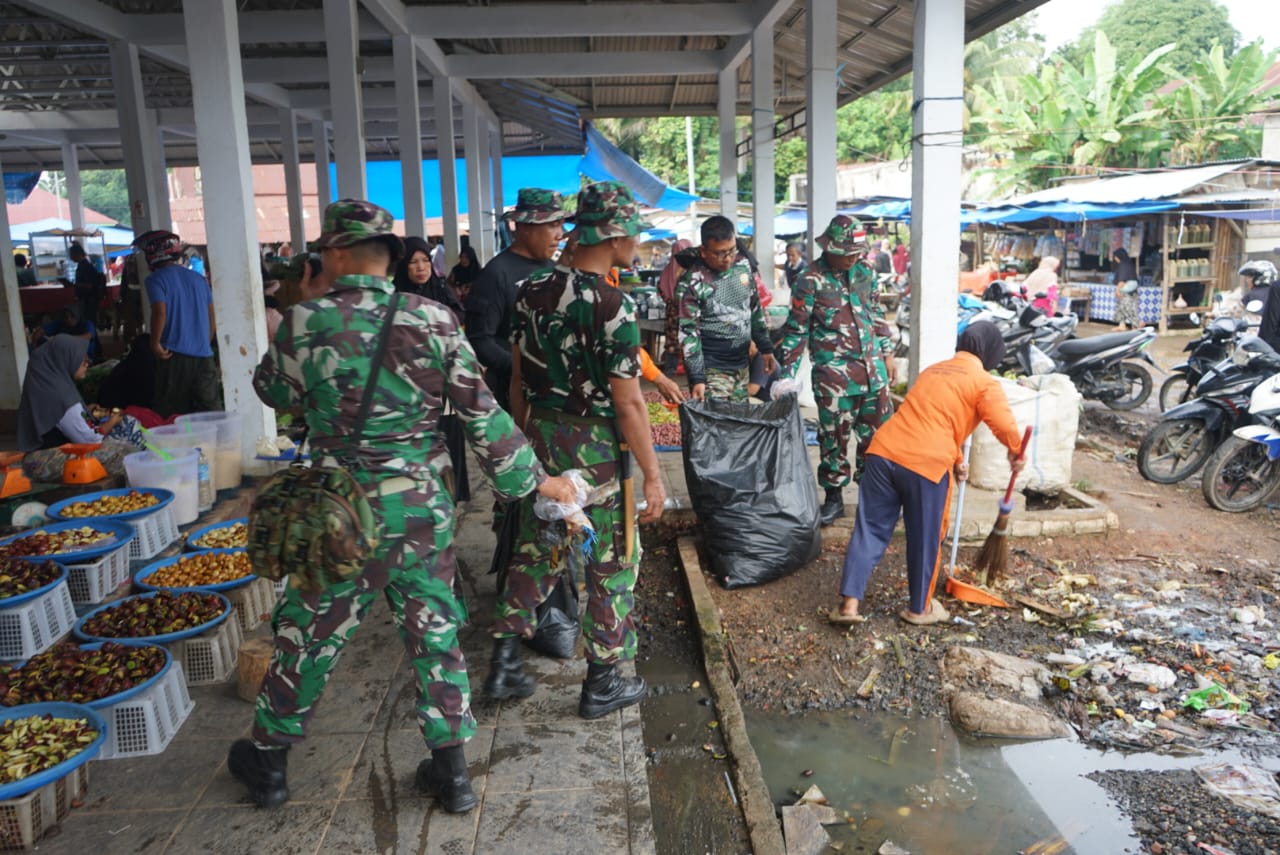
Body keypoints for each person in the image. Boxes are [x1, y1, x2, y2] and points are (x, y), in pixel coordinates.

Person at [227, 199, 578, 815]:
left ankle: (271, 766)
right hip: (419, 507)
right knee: (435, 635)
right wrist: (534, 480)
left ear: (332, 254)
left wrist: (296, 304)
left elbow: (272, 392)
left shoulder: (305, 322)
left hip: (337, 515)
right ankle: (453, 774)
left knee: (306, 637)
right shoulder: (435, 318)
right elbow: (482, 414)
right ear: (389, 257)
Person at [484, 180, 665, 721]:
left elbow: (517, 376)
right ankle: (604, 681)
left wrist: (522, 443)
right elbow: (630, 404)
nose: (637, 243)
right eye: (633, 232)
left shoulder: (530, 290)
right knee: (611, 562)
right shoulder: (614, 306)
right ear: (612, 235)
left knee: (540, 548)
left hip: (540, 442)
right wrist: (654, 477)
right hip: (598, 458)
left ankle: (503, 658)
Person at [829, 322, 1024, 627]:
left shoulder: (934, 371)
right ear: (991, 353)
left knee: (870, 529)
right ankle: (919, 609)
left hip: (884, 452)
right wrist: (1015, 450)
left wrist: (957, 458)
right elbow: (1003, 422)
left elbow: (931, 417)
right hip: (926, 465)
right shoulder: (984, 383)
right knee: (925, 536)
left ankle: (849, 606)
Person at [777, 215, 896, 526]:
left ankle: (874, 497)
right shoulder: (810, 278)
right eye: (848, 253)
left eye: (857, 252)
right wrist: (786, 373)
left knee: (878, 439)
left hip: (873, 373)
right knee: (834, 437)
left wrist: (889, 354)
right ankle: (833, 498)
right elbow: (796, 329)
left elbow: (876, 312)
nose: (853, 258)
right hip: (834, 379)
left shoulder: (866, 271)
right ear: (830, 248)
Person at [466, 188, 568, 413]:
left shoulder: (555, 270)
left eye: (560, 225)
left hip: (555, 398)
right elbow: (480, 341)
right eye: (552, 225)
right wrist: (524, 369)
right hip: (511, 398)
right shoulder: (496, 275)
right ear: (524, 227)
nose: (560, 234)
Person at [393, 236, 470, 502]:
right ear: (402, 266)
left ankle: (452, 496)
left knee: (448, 439)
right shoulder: (393, 299)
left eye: (425, 260)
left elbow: (458, 317)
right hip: (409, 389)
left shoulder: (441, 291)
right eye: (413, 262)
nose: (421, 267)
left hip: (443, 384)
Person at [15, 335, 146, 480]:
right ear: (65, 360)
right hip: (44, 460)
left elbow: (61, 421)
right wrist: (112, 421)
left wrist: (86, 412)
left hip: (39, 456)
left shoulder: (49, 386)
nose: (87, 364)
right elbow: (89, 440)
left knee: (128, 425)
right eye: (82, 360)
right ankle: (125, 492)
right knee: (126, 453)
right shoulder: (61, 395)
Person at [676, 216, 775, 401]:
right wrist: (697, 377)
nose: (727, 259)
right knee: (719, 423)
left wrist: (765, 348)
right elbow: (689, 333)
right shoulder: (692, 282)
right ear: (703, 251)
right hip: (712, 369)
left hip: (742, 364)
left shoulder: (742, 266)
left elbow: (754, 309)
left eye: (731, 250)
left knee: (739, 423)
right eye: (720, 253)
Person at [136, 230, 219, 417]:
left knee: (170, 410)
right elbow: (211, 314)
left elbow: (160, 311)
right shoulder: (198, 279)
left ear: (152, 254)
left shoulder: (156, 279)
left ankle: (179, 446)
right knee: (209, 408)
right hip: (204, 355)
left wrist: (155, 342)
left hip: (173, 354)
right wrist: (206, 341)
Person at [657, 238, 693, 373]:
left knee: (671, 344)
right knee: (690, 343)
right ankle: (693, 374)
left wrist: (670, 301)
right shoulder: (692, 271)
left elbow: (660, 289)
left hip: (672, 313)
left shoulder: (667, 271)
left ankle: (670, 372)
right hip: (689, 312)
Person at [34, 304, 101, 363]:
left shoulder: (86, 324)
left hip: (83, 357)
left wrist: (65, 339)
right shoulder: (60, 323)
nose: (68, 319)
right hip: (62, 356)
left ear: (77, 315)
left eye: (72, 316)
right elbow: (38, 333)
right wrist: (34, 348)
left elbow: (89, 335)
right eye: (66, 317)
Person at [1240, 260, 1280, 351]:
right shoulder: (1273, 289)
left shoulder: (1254, 294)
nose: (1247, 280)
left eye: (1250, 276)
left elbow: (1269, 321)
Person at [68, 242, 106, 328]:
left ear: (77, 254)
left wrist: (77, 285)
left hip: (89, 300)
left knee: (88, 322)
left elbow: (91, 285)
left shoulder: (86, 267)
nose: (70, 257)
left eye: (71, 254)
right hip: (86, 299)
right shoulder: (82, 265)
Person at [1112, 248, 1140, 331]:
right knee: (1121, 306)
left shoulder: (1123, 265)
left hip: (1127, 289)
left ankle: (1136, 325)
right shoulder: (1129, 263)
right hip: (1132, 288)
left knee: (1127, 307)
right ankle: (1122, 325)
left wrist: (1117, 290)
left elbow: (1122, 280)